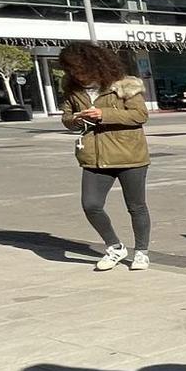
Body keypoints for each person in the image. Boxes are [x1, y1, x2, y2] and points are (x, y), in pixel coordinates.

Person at [58, 41, 153, 272]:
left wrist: (103, 114)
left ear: (94, 64)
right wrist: (76, 120)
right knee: (91, 205)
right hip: (94, 156)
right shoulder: (73, 90)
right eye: (72, 70)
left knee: (136, 206)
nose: (77, 75)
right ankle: (115, 246)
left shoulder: (124, 85)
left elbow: (140, 115)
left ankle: (141, 252)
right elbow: (67, 118)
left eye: (80, 69)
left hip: (129, 155)